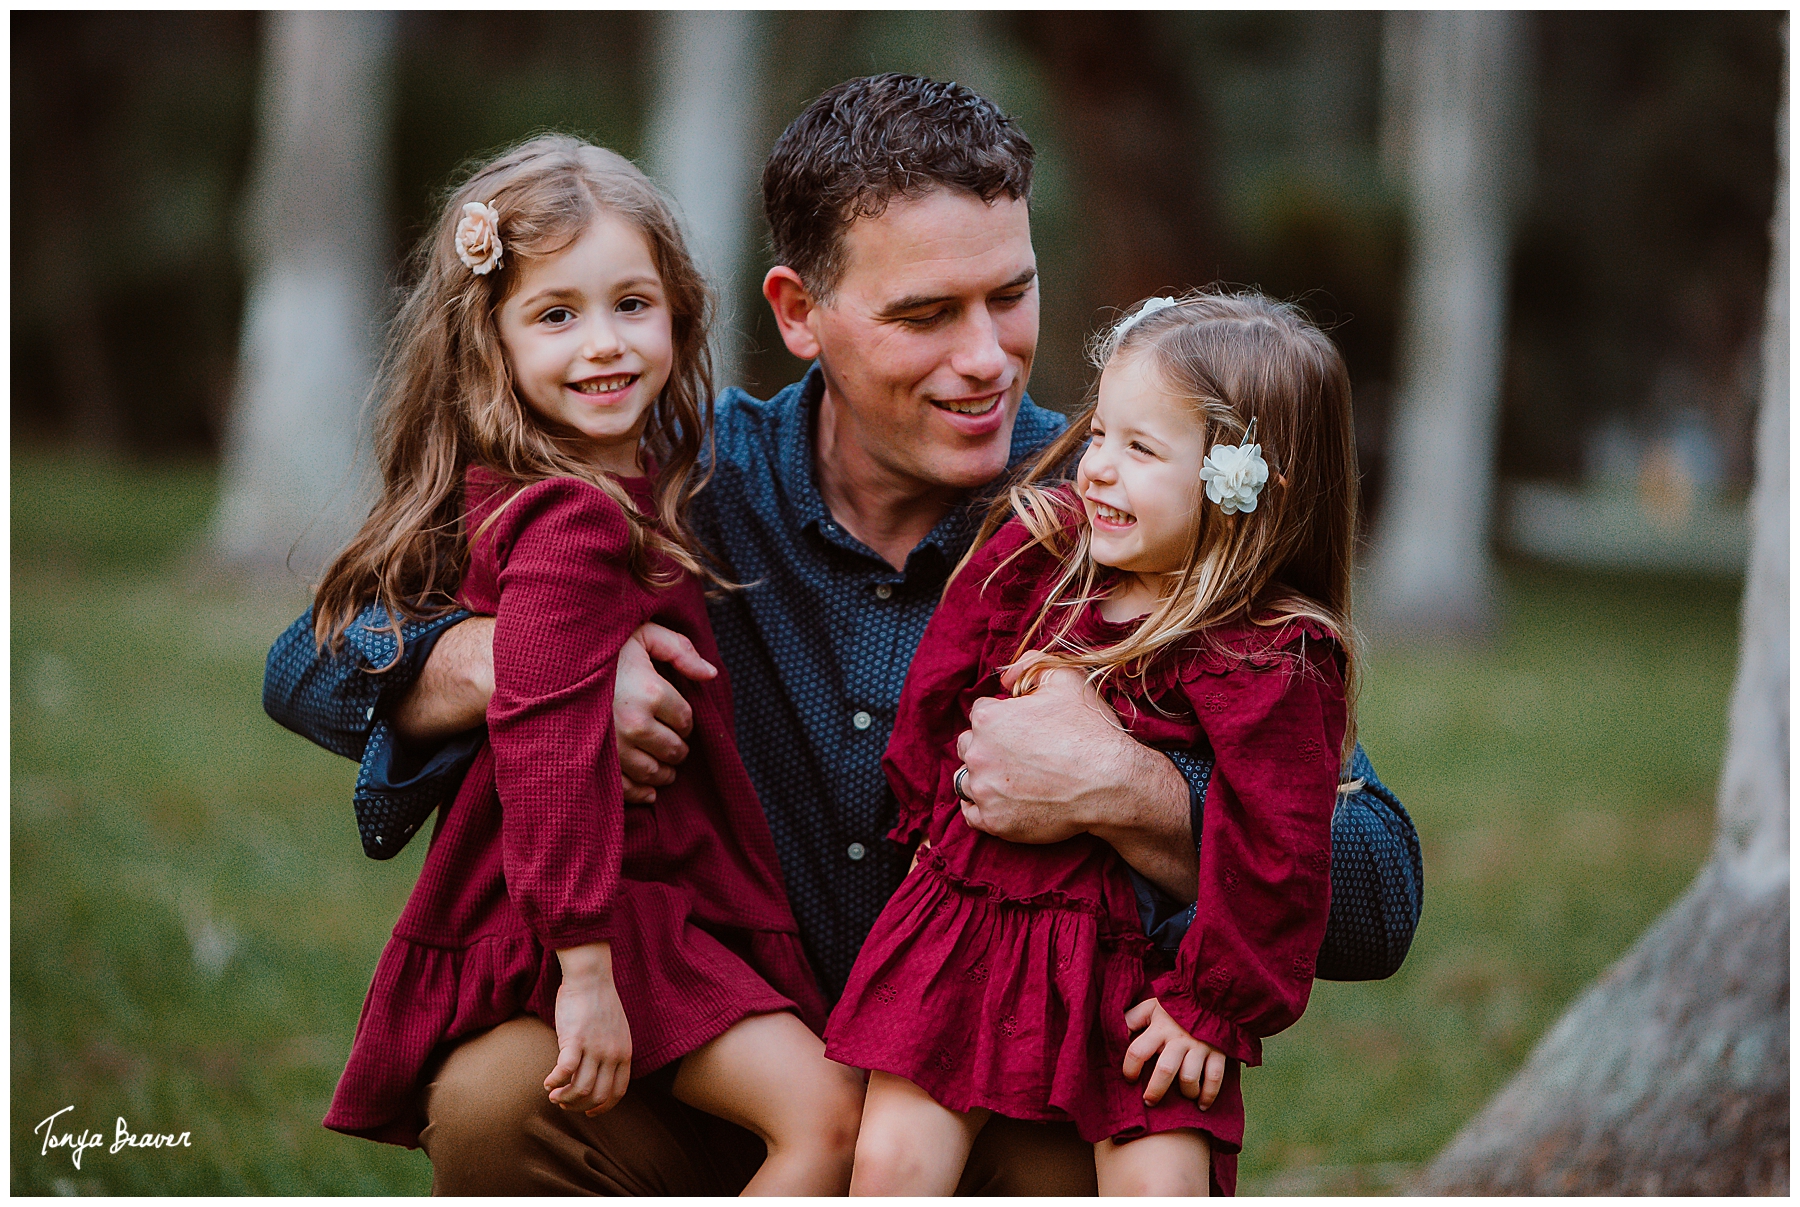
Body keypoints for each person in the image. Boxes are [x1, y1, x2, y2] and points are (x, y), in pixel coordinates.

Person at [266, 75, 1422, 1194]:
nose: (985, 358)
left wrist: (1129, 791)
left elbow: (1375, 890)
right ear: (799, 313)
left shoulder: (1135, 514)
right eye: (925, 314)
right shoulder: (670, 486)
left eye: (1008, 297)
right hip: (732, 1082)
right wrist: (532, 667)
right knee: (497, 1097)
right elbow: (308, 660)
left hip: (1012, 1096)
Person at [304, 134, 866, 1194]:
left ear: (681, 313)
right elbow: (552, 750)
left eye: (631, 305)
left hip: (635, 907)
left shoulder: (641, 478)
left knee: (824, 1114)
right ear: (492, 342)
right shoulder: (570, 519)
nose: (602, 345)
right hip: (613, 917)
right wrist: (589, 969)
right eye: (556, 314)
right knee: (826, 1121)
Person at [828, 290, 1356, 1197]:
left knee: (1163, 1181)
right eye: (1099, 433)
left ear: (1241, 482)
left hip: (1140, 969)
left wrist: (1213, 1006)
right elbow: (945, 682)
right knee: (890, 1164)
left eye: (1140, 449)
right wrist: (927, 813)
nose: (1098, 469)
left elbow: (1281, 849)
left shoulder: (1267, 654)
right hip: (968, 914)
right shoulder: (1042, 557)